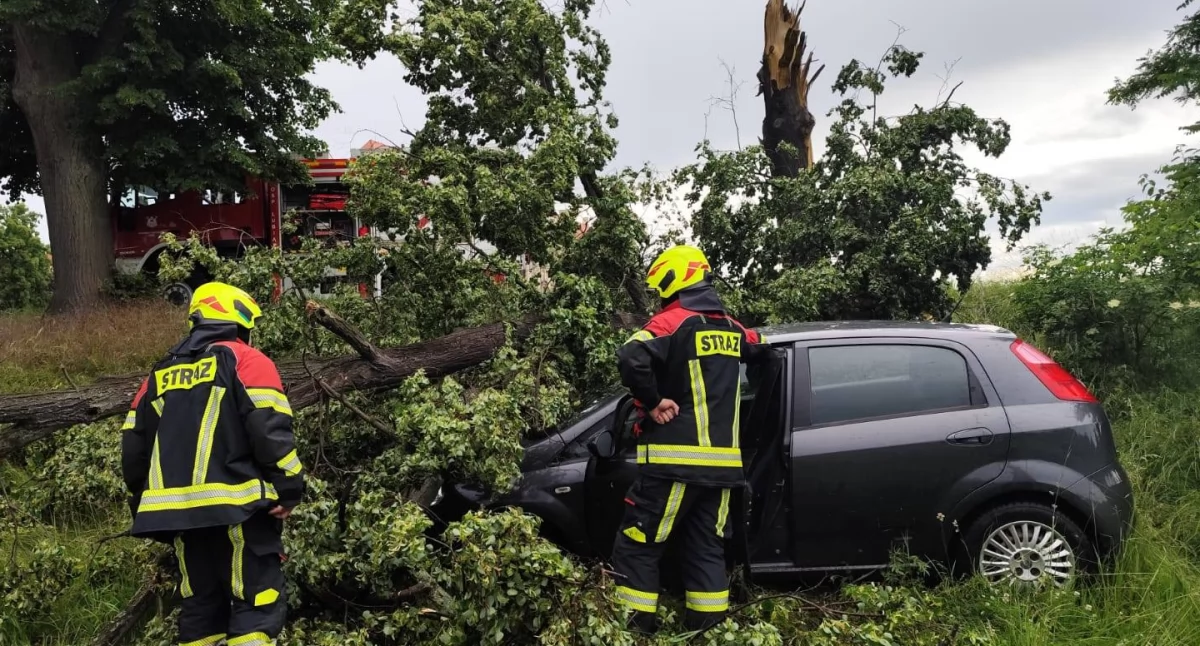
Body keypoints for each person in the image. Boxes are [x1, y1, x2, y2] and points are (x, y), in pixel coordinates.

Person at [121, 282, 305, 646]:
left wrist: (147, 498)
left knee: (202, 609)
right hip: (239, 510)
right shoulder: (247, 361)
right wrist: (289, 488)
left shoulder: (157, 376)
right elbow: (270, 430)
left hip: (179, 519)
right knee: (256, 603)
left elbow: (133, 451)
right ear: (239, 321)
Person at [611, 244, 774, 634]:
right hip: (722, 473)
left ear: (675, 282)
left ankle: (635, 633)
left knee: (637, 545)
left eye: (662, 291)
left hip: (675, 465)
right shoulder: (731, 328)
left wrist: (651, 403)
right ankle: (708, 634)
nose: (661, 298)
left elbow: (630, 355)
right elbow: (763, 347)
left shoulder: (674, 322)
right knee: (705, 550)